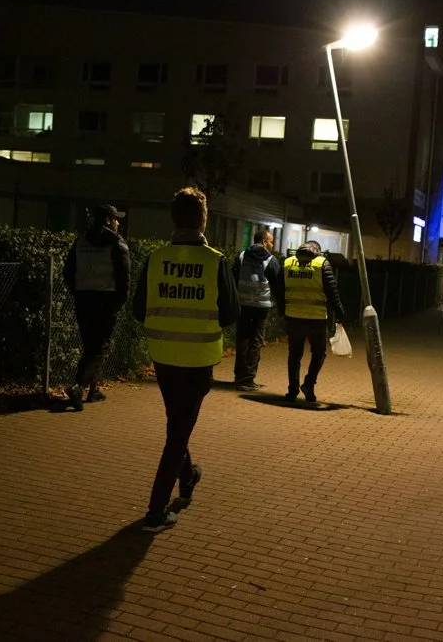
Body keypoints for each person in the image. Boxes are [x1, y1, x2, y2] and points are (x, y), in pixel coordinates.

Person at [132, 187, 239, 532]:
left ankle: (189, 477)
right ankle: (155, 512)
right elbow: (230, 313)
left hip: (163, 357)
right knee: (177, 433)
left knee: (177, 424)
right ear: (203, 219)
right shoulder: (215, 260)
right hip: (198, 360)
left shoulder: (156, 258)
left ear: (174, 218)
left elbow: (137, 310)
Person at [62, 204, 131, 410]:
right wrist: (120, 301)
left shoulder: (81, 240)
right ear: (108, 220)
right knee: (99, 346)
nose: (118, 222)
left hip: (84, 298)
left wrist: (78, 291)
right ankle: (78, 386)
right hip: (106, 299)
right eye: (116, 218)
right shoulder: (117, 243)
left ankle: (92, 391)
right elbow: (124, 276)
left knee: (90, 345)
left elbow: (68, 271)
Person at [273, 240, 346, 403]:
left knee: (294, 355)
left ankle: (292, 390)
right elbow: (332, 293)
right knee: (319, 354)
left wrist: (281, 311)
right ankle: (309, 385)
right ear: (317, 251)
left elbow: (278, 290)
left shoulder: (287, 263)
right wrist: (340, 313)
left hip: (293, 318)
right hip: (316, 319)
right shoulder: (322, 264)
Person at [231, 229, 280, 391]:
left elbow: (233, 278)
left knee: (242, 339)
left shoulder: (242, 256)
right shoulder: (271, 260)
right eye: (271, 241)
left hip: (243, 305)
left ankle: (239, 376)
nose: (272, 245)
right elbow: (278, 284)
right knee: (255, 341)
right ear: (264, 242)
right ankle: (248, 379)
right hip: (261, 308)